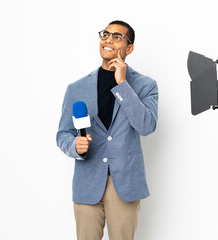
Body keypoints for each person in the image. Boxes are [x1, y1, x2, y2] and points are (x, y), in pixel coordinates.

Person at [56, 20, 158, 240]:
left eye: (117, 36)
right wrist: (74, 145)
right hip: (88, 181)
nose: (108, 39)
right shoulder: (77, 88)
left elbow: (147, 126)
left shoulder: (145, 85)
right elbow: (63, 134)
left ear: (129, 48)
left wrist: (122, 84)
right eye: (105, 34)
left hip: (125, 183)